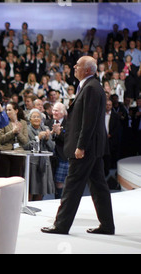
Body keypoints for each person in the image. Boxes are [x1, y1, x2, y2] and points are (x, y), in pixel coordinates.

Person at [42, 56, 115, 235]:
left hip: (87, 147)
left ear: (88, 70)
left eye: (78, 65)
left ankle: (61, 225)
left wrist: (81, 146)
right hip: (93, 146)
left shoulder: (90, 88)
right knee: (98, 187)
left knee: (72, 185)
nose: (74, 66)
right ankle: (107, 225)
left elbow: (88, 122)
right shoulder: (90, 86)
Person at [24, 108, 55, 201]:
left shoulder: (46, 129)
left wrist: (47, 139)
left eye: (38, 117)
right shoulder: (26, 130)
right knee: (31, 189)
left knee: (41, 189)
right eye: (34, 117)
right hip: (32, 163)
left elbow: (52, 147)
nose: (37, 119)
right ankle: (28, 205)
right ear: (30, 119)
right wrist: (38, 138)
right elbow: (26, 146)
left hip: (44, 162)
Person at [0, 102, 28, 178]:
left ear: (16, 111)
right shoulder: (3, 122)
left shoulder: (23, 123)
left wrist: (18, 133)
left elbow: (25, 141)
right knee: (4, 178)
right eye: (7, 110)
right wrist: (12, 132)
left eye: (10, 110)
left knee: (16, 178)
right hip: (4, 154)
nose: (7, 112)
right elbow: (0, 139)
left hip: (18, 154)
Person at [45, 102, 68, 199]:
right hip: (49, 156)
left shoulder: (69, 123)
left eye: (56, 111)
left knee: (59, 182)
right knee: (50, 181)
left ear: (63, 113)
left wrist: (59, 133)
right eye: (53, 110)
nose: (54, 112)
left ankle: (59, 200)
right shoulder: (47, 123)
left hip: (62, 156)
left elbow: (70, 139)